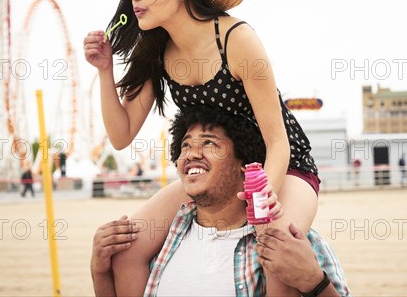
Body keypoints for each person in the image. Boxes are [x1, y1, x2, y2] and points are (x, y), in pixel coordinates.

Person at [85, 0, 320, 295]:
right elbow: (120, 134)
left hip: (283, 169)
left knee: (277, 253)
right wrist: (104, 71)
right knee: (125, 250)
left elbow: (279, 143)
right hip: (219, 172)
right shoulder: (158, 52)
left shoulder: (236, 39)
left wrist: (261, 204)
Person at [91, 106, 350, 296]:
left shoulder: (295, 242)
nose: (192, 153)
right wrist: (99, 272)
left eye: (209, 143)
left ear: (244, 164)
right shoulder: (160, 241)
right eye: (185, 146)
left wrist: (314, 281)